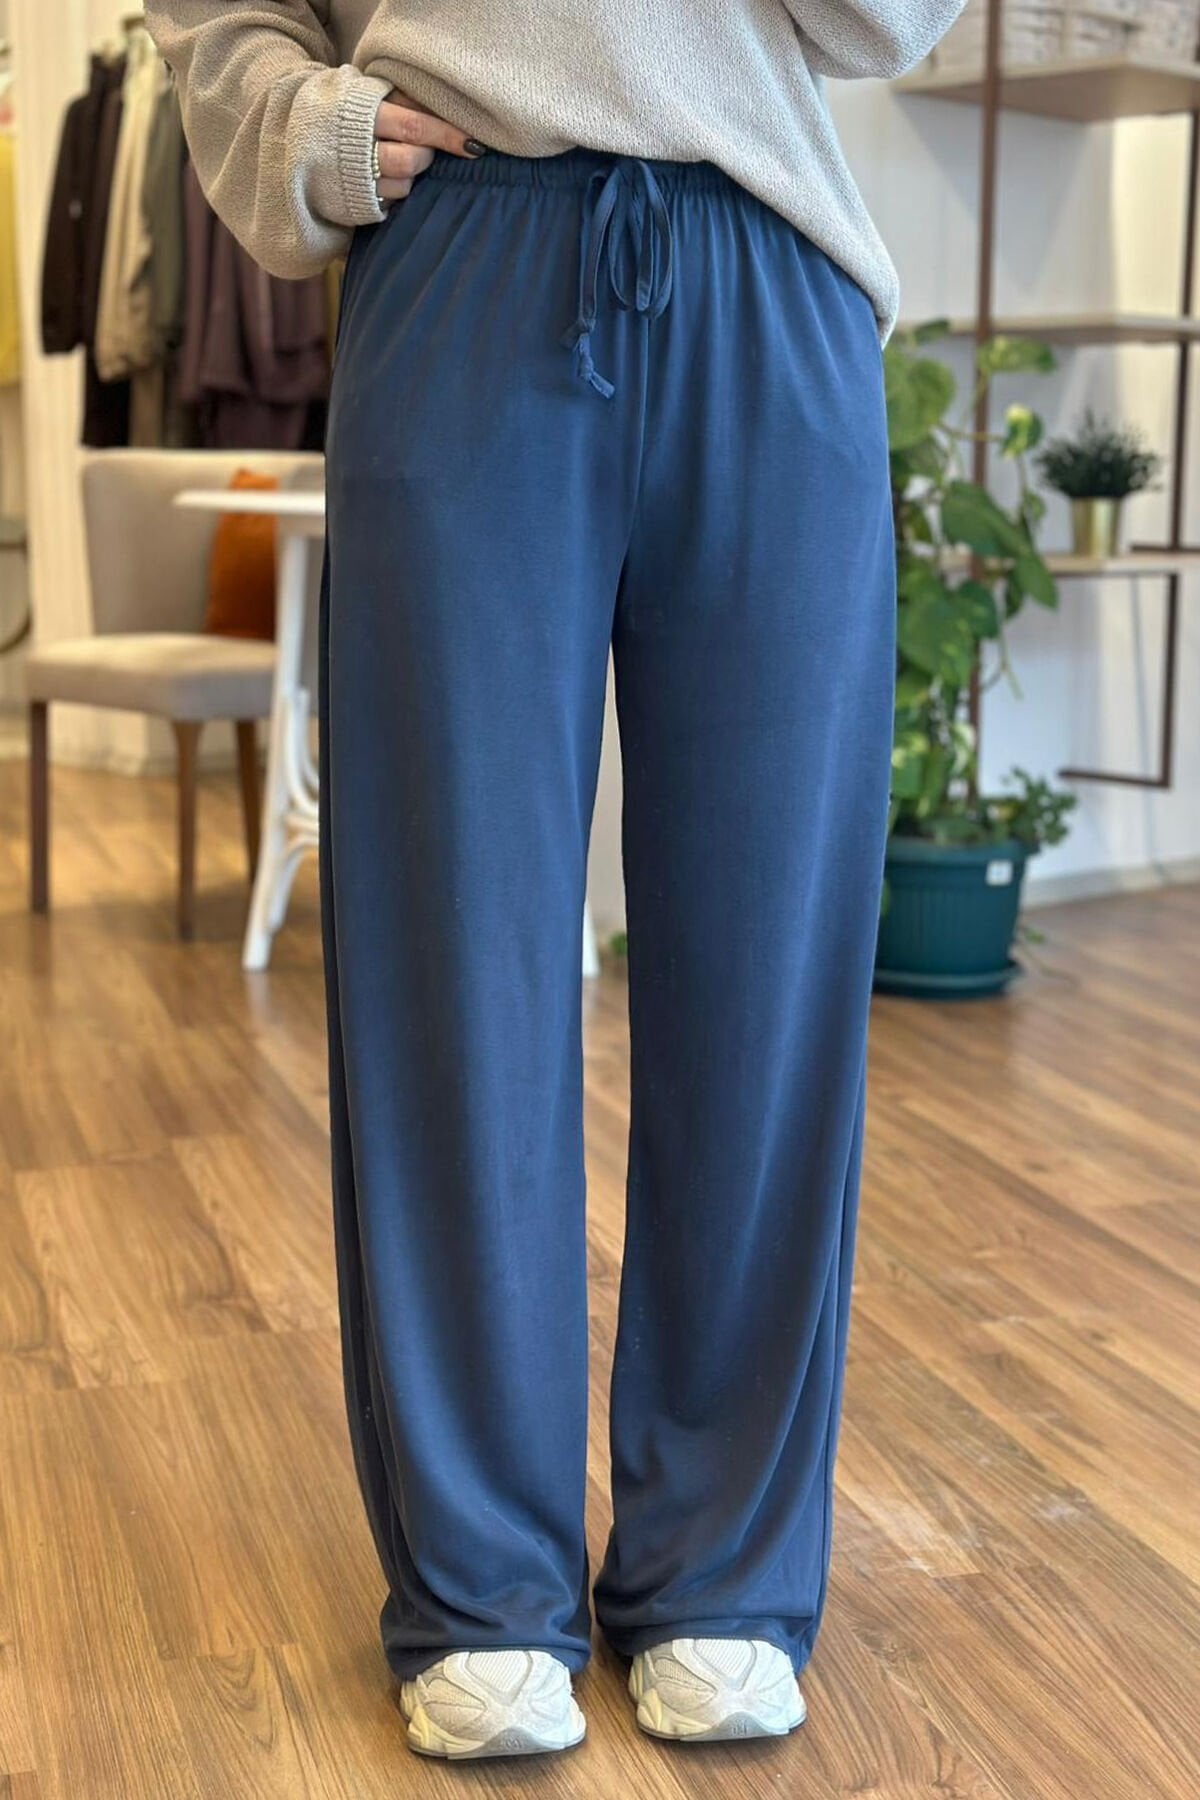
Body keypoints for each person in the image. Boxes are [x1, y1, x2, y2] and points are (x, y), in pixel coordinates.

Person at [145, 0, 966, 1763]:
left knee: (767, 967)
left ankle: (722, 1568)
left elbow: (886, 20)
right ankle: (482, 1583)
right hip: (465, 247)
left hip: (772, 264)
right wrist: (296, 122)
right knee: (455, 952)